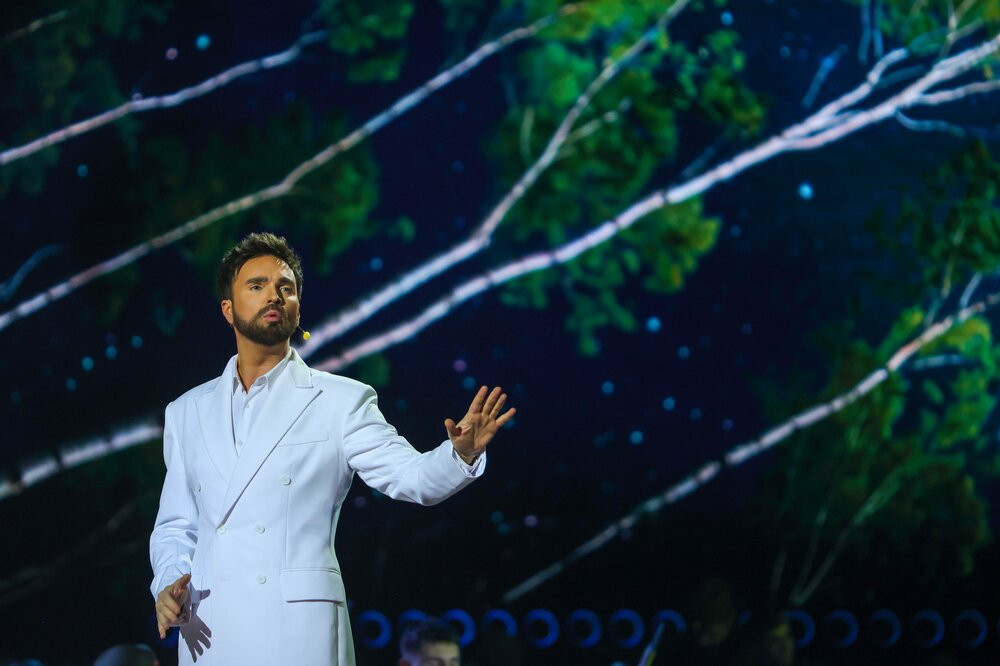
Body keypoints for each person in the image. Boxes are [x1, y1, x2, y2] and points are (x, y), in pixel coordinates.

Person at [149, 233, 515, 665]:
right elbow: (175, 526)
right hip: (211, 630)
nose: (274, 296)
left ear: (298, 307)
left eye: (286, 288)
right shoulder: (187, 411)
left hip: (298, 632)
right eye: (257, 285)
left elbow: (410, 477)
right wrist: (169, 583)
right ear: (228, 309)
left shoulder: (340, 400)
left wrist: (460, 455)